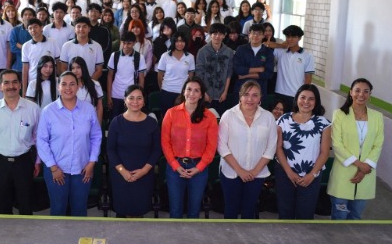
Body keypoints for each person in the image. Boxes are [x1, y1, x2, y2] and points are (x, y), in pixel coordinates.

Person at [36, 71, 102, 217]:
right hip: (56, 169)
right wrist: (53, 167)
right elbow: (41, 141)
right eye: (64, 84)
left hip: (83, 169)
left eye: (72, 84)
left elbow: (96, 137)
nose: (68, 88)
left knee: (79, 208)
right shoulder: (48, 111)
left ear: (78, 86)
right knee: (58, 208)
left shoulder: (88, 109)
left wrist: (92, 162)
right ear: (58, 87)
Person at [0, 70, 41, 215]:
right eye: (6, 83)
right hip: (0, 163)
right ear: (0, 86)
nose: (11, 86)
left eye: (15, 82)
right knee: (3, 206)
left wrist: (37, 162)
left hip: (24, 162)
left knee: (26, 205)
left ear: (20, 84)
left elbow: (39, 138)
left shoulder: (33, 109)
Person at [218, 80, 278, 219]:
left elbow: (271, 147)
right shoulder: (228, 115)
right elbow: (222, 146)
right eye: (246, 94)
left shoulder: (268, 117)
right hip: (231, 173)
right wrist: (240, 171)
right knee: (231, 210)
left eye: (255, 95)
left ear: (260, 97)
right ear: (240, 96)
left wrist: (254, 172)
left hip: (256, 174)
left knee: (249, 210)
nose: (250, 99)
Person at [161, 77, 218, 218]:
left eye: (196, 90)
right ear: (183, 92)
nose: (192, 93)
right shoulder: (171, 113)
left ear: (201, 95)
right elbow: (165, 142)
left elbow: (211, 147)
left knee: (194, 211)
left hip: (199, 168)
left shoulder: (209, 117)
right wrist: (175, 166)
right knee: (175, 210)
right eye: (189, 89)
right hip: (175, 168)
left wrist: (199, 168)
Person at [327, 78, 384, 220]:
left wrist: (366, 167)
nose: (361, 94)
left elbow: (378, 144)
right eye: (357, 90)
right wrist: (359, 165)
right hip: (343, 173)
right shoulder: (339, 114)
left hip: (366, 174)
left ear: (370, 95)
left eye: (366, 91)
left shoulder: (377, 117)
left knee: (356, 216)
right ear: (351, 92)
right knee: (339, 215)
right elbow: (337, 144)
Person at [275, 84, 331, 219]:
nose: (306, 102)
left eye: (311, 99)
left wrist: (312, 174)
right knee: (285, 213)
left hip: (311, 175)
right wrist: (289, 172)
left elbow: (325, 152)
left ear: (316, 102)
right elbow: (278, 148)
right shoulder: (284, 119)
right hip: (285, 173)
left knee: (305, 215)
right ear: (297, 99)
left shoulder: (324, 123)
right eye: (303, 97)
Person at [108, 85, 161, 217]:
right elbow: (110, 150)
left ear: (144, 101)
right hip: (120, 175)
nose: (135, 102)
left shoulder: (151, 123)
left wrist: (144, 171)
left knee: (139, 213)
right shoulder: (116, 122)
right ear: (125, 100)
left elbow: (156, 150)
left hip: (144, 175)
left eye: (139, 98)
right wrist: (123, 171)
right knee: (121, 212)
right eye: (131, 98)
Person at [272, 25, 315, 109]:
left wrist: (304, 95)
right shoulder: (280, 52)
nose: (290, 39)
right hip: (279, 93)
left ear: (299, 38)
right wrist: (281, 45)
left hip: (296, 94)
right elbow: (266, 45)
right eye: (288, 37)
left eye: (293, 37)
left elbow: (308, 78)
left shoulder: (307, 56)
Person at [195, 23, 234, 116]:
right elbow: (199, 74)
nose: (217, 36)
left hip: (221, 95)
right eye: (215, 34)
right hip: (206, 94)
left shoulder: (229, 52)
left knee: (221, 119)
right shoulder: (202, 51)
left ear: (224, 35)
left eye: (220, 34)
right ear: (210, 34)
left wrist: (225, 92)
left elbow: (229, 73)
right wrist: (204, 93)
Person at [106, 32, 147, 119]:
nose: (125, 46)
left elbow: (141, 79)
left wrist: (140, 97)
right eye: (123, 43)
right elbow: (109, 77)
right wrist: (109, 96)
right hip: (115, 94)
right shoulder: (114, 56)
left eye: (129, 43)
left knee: (130, 120)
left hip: (131, 96)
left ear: (134, 43)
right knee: (115, 120)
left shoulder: (139, 57)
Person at [156, 31, 195, 117]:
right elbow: (160, 75)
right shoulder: (165, 56)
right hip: (167, 91)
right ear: (173, 42)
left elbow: (191, 76)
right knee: (167, 117)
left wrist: (185, 91)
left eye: (182, 41)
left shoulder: (190, 57)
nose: (180, 44)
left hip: (183, 93)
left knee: (182, 118)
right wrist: (162, 88)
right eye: (177, 41)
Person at [21, 18, 60, 96]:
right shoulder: (26, 46)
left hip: (51, 81)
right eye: (30, 28)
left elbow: (58, 63)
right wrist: (24, 90)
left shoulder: (52, 42)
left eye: (35, 27)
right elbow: (25, 69)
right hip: (33, 81)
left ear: (41, 27)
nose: (33, 30)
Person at [233, 23, 274, 98]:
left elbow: (268, 74)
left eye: (259, 34)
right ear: (249, 35)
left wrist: (245, 75)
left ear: (263, 36)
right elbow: (237, 69)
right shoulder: (241, 49)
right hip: (241, 89)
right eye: (253, 33)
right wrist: (259, 69)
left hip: (260, 90)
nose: (256, 36)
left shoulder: (268, 52)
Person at [68, 56, 104, 124]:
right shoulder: (67, 87)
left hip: (91, 122)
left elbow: (99, 108)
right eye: (73, 68)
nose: (75, 71)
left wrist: (98, 125)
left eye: (78, 67)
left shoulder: (95, 85)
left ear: (83, 68)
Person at [9, 7, 34, 76]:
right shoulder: (15, 30)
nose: (28, 16)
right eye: (25, 15)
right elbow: (13, 48)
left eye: (30, 15)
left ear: (34, 17)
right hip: (18, 66)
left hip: (33, 67)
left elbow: (37, 48)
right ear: (22, 17)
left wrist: (20, 46)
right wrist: (28, 50)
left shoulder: (36, 31)